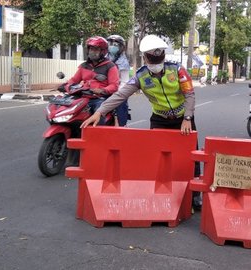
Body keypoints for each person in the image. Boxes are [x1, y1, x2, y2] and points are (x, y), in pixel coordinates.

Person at [81, 34, 202, 210]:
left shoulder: (178, 71)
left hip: (183, 120)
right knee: (158, 158)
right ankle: (160, 194)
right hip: (159, 120)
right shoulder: (141, 76)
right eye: (150, 57)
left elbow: (189, 94)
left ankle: (195, 195)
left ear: (164, 56)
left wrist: (187, 118)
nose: (154, 61)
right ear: (144, 58)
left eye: (158, 57)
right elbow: (121, 95)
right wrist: (100, 111)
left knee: (191, 157)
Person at [66, 36, 120, 125]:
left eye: (96, 49)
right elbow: (74, 80)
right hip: (83, 97)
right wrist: (66, 85)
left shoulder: (110, 66)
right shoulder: (84, 66)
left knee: (98, 113)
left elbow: (114, 85)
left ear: (103, 51)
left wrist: (102, 90)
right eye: (91, 49)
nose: (92, 52)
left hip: (99, 98)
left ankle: (99, 134)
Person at [106, 34, 130, 126]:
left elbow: (124, 81)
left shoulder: (123, 62)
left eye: (115, 45)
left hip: (117, 90)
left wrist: (116, 92)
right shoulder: (103, 58)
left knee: (120, 103)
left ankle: (120, 125)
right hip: (102, 88)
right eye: (110, 44)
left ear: (121, 47)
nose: (112, 47)